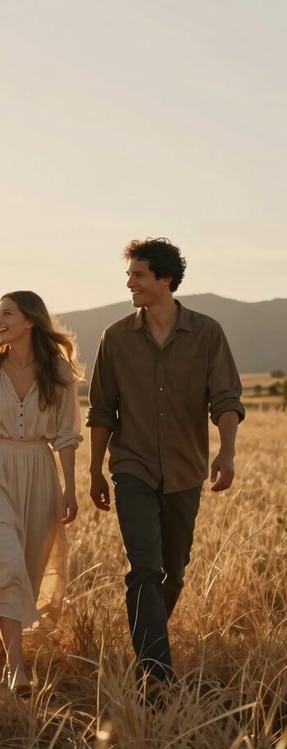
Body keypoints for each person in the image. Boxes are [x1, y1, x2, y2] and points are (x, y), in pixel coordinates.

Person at [87, 237, 245, 686]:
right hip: (132, 467)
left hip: (184, 469)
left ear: (165, 279)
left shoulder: (207, 333)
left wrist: (227, 451)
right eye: (129, 274)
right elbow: (101, 410)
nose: (129, 283)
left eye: (138, 275)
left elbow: (226, 398)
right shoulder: (115, 338)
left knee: (173, 573)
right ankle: (156, 677)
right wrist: (97, 468)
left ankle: (149, 639)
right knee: (145, 569)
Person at [0, 292, 83, 695]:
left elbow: (66, 435)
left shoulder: (58, 371)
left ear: (30, 321)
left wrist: (71, 488)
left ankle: (6, 651)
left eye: (6, 313)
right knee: (8, 566)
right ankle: (16, 669)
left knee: (26, 569)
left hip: (40, 475)